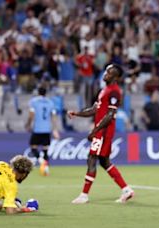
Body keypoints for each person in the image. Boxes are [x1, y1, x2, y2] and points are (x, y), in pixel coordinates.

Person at [67, 64, 134, 204]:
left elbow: (110, 114)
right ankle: (126, 189)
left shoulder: (115, 91)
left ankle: (84, 195)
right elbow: (94, 109)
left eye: (109, 72)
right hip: (101, 130)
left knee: (92, 157)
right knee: (104, 161)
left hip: (104, 131)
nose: (105, 74)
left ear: (115, 77)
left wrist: (95, 130)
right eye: (106, 71)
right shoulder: (105, 90)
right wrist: (77, 113)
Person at [25, 86, 60, 176]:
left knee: (33, 147)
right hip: (47, 129)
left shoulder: (34, 101)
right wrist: (55, 129)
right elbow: (53, 117)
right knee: (45, 150)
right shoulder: (50, 102)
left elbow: (31, 114)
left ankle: (41, 161)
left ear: (38, 92)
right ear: (46, 93)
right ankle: (46, 169)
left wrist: (28, 124)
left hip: (37, 129)